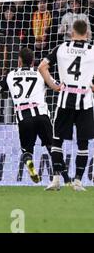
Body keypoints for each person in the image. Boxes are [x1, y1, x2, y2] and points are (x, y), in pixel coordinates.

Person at [0, 48, 66, 184]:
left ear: (19, 61)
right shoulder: (40, 73)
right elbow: (58, 87)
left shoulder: (11, 75)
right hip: (42, 115)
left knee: (27, 151)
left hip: (24, 118)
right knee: (52, 147)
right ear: (33, 61)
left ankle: (29, 163)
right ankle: (63, 178)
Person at [39, 19, 94, 191]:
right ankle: (77, 181)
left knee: (57, 140)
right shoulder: (92, 51)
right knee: (83, 143)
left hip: (65, 98)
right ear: (87, 32)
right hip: (85, 100)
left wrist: (54, 84)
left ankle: (56, 180)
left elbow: (42, 67)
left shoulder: (61, 48)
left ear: (72, 31)